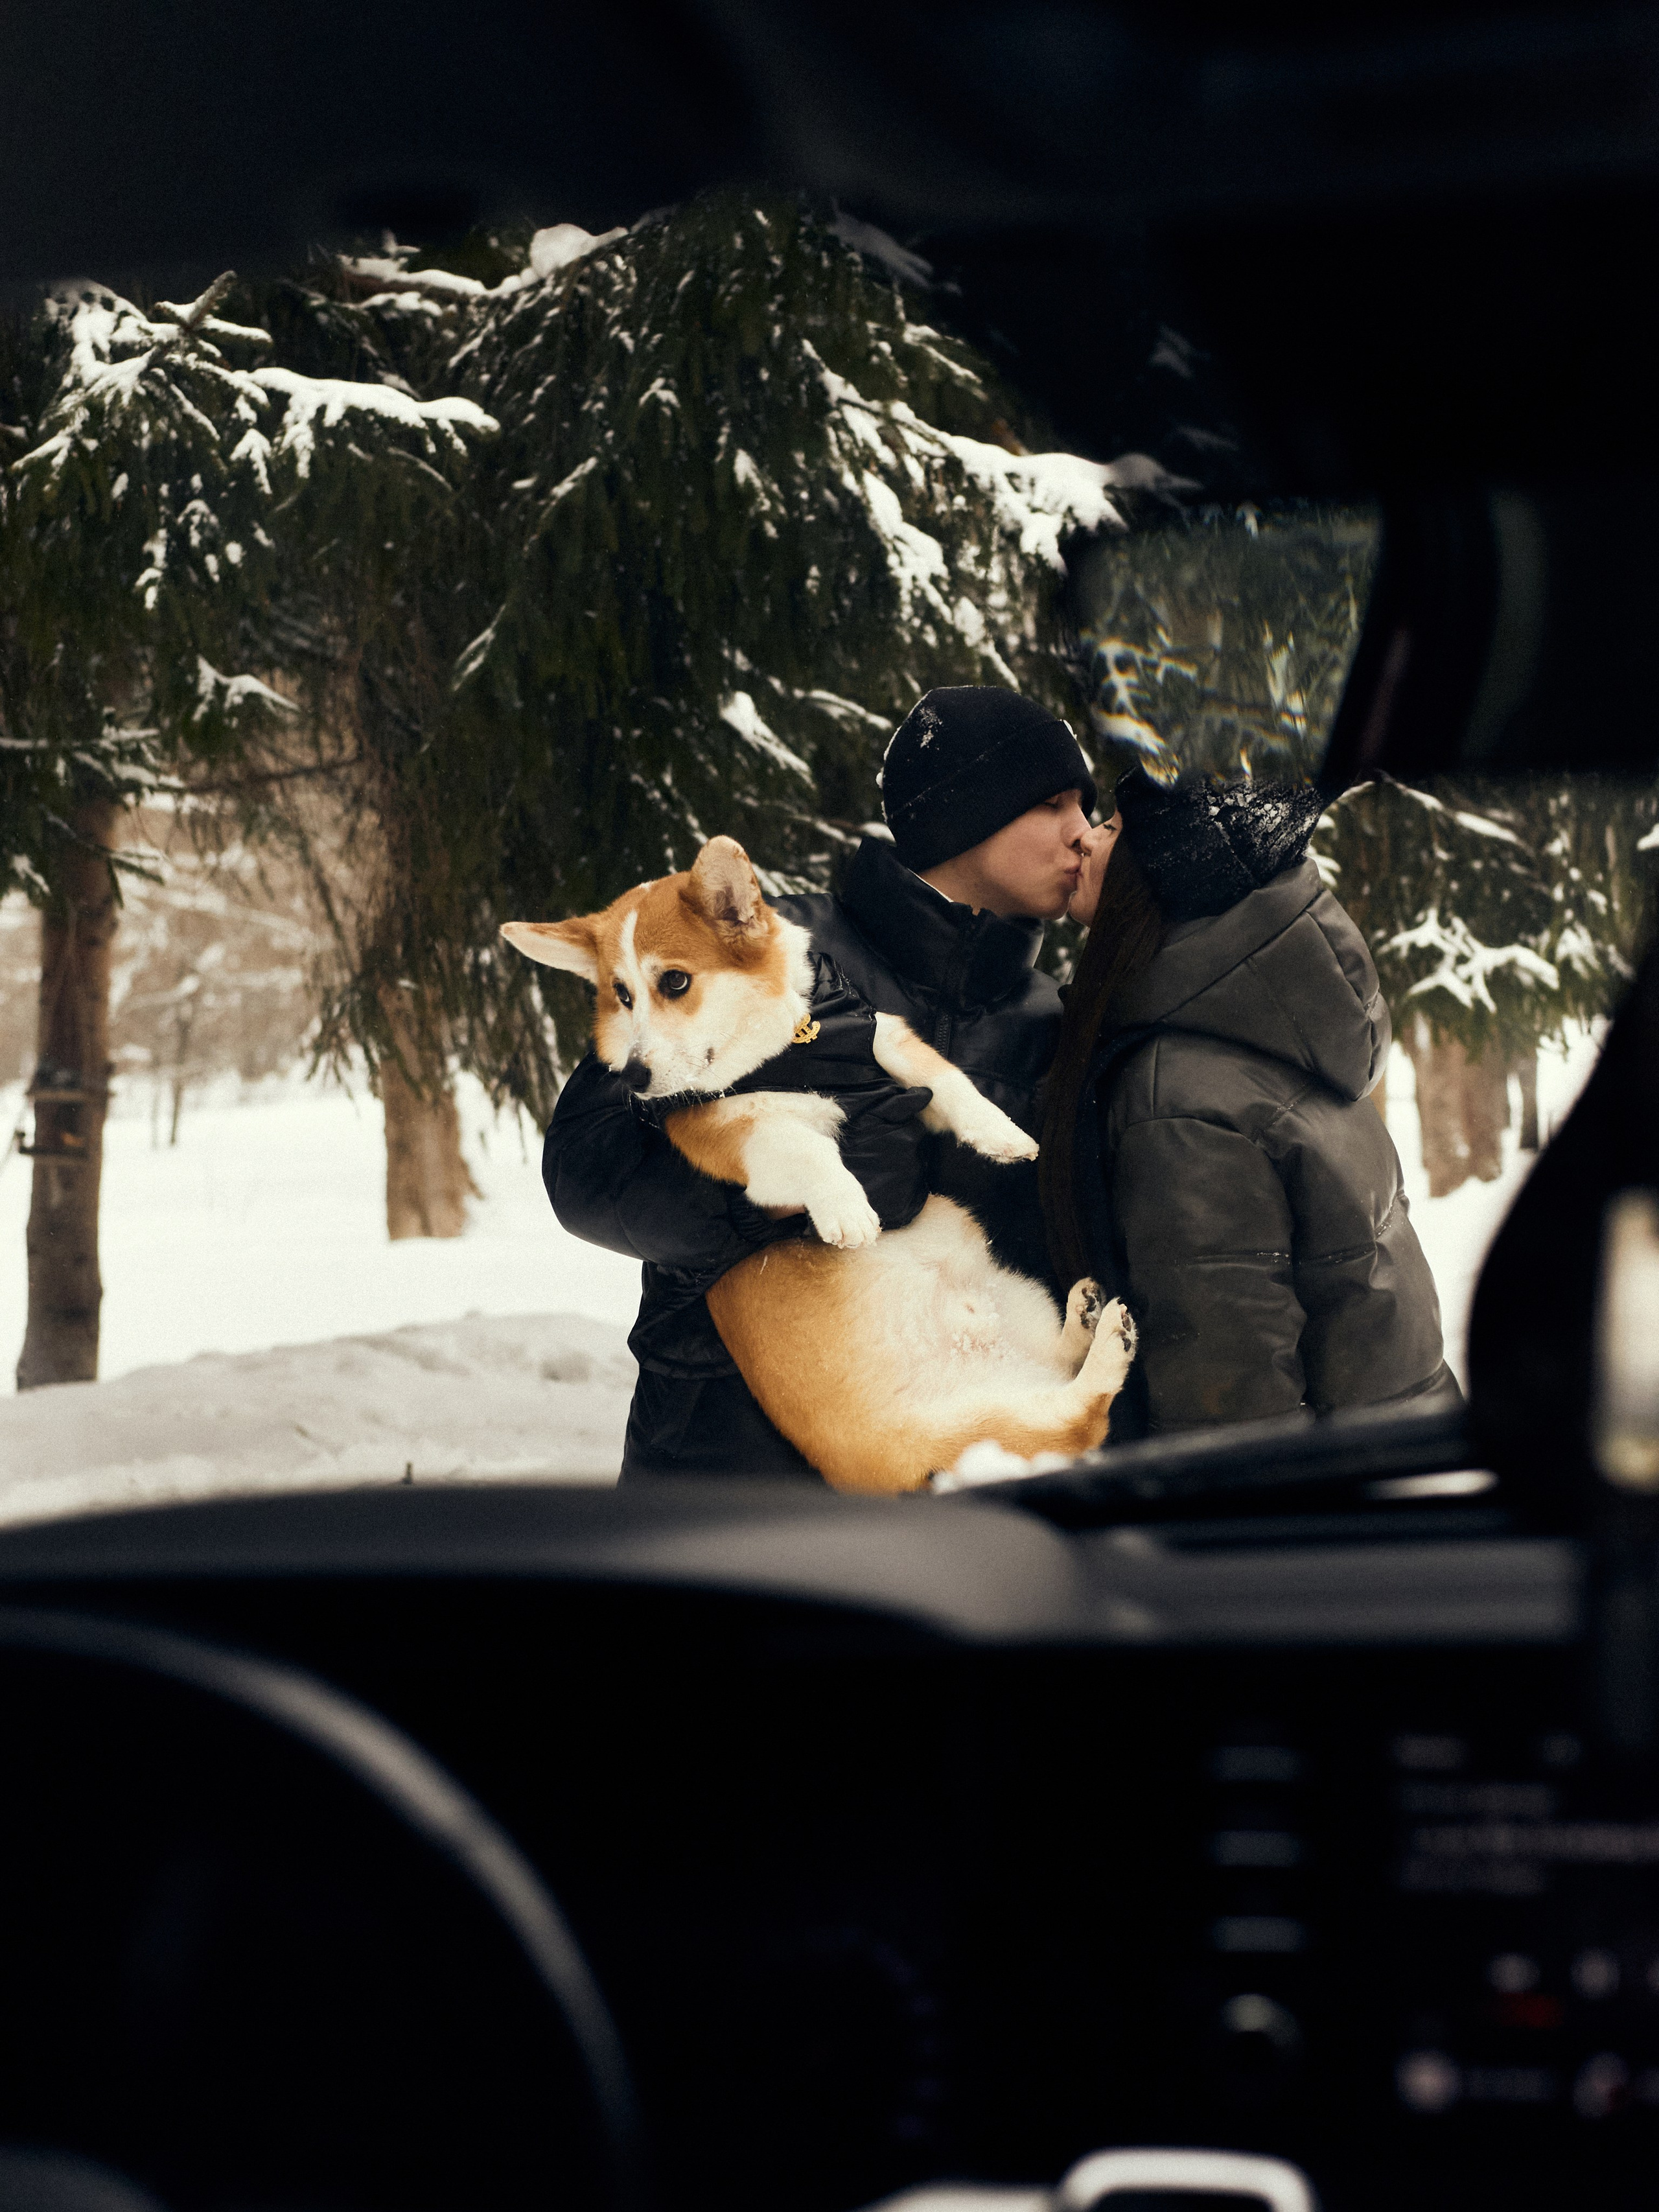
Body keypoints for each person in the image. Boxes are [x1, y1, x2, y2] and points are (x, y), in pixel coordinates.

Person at [544, 684, 1096, 1478]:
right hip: (728, 1478)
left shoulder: (1053, 1020)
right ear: (965, 815)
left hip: (953, 1478)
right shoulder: (757, 952)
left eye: (1085, 806)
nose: (1082, 832)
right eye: (1053, 804)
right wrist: (775, 1193)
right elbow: (586, 1173)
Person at [1042, 765, 1459, 1436]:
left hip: (1332, 1487)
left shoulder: (1180, 1098)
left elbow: (1229, 1403)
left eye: (1113, 827)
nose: (1086, 838)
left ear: (1170, 873)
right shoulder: (1277, 1028)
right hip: (1399, 1447)